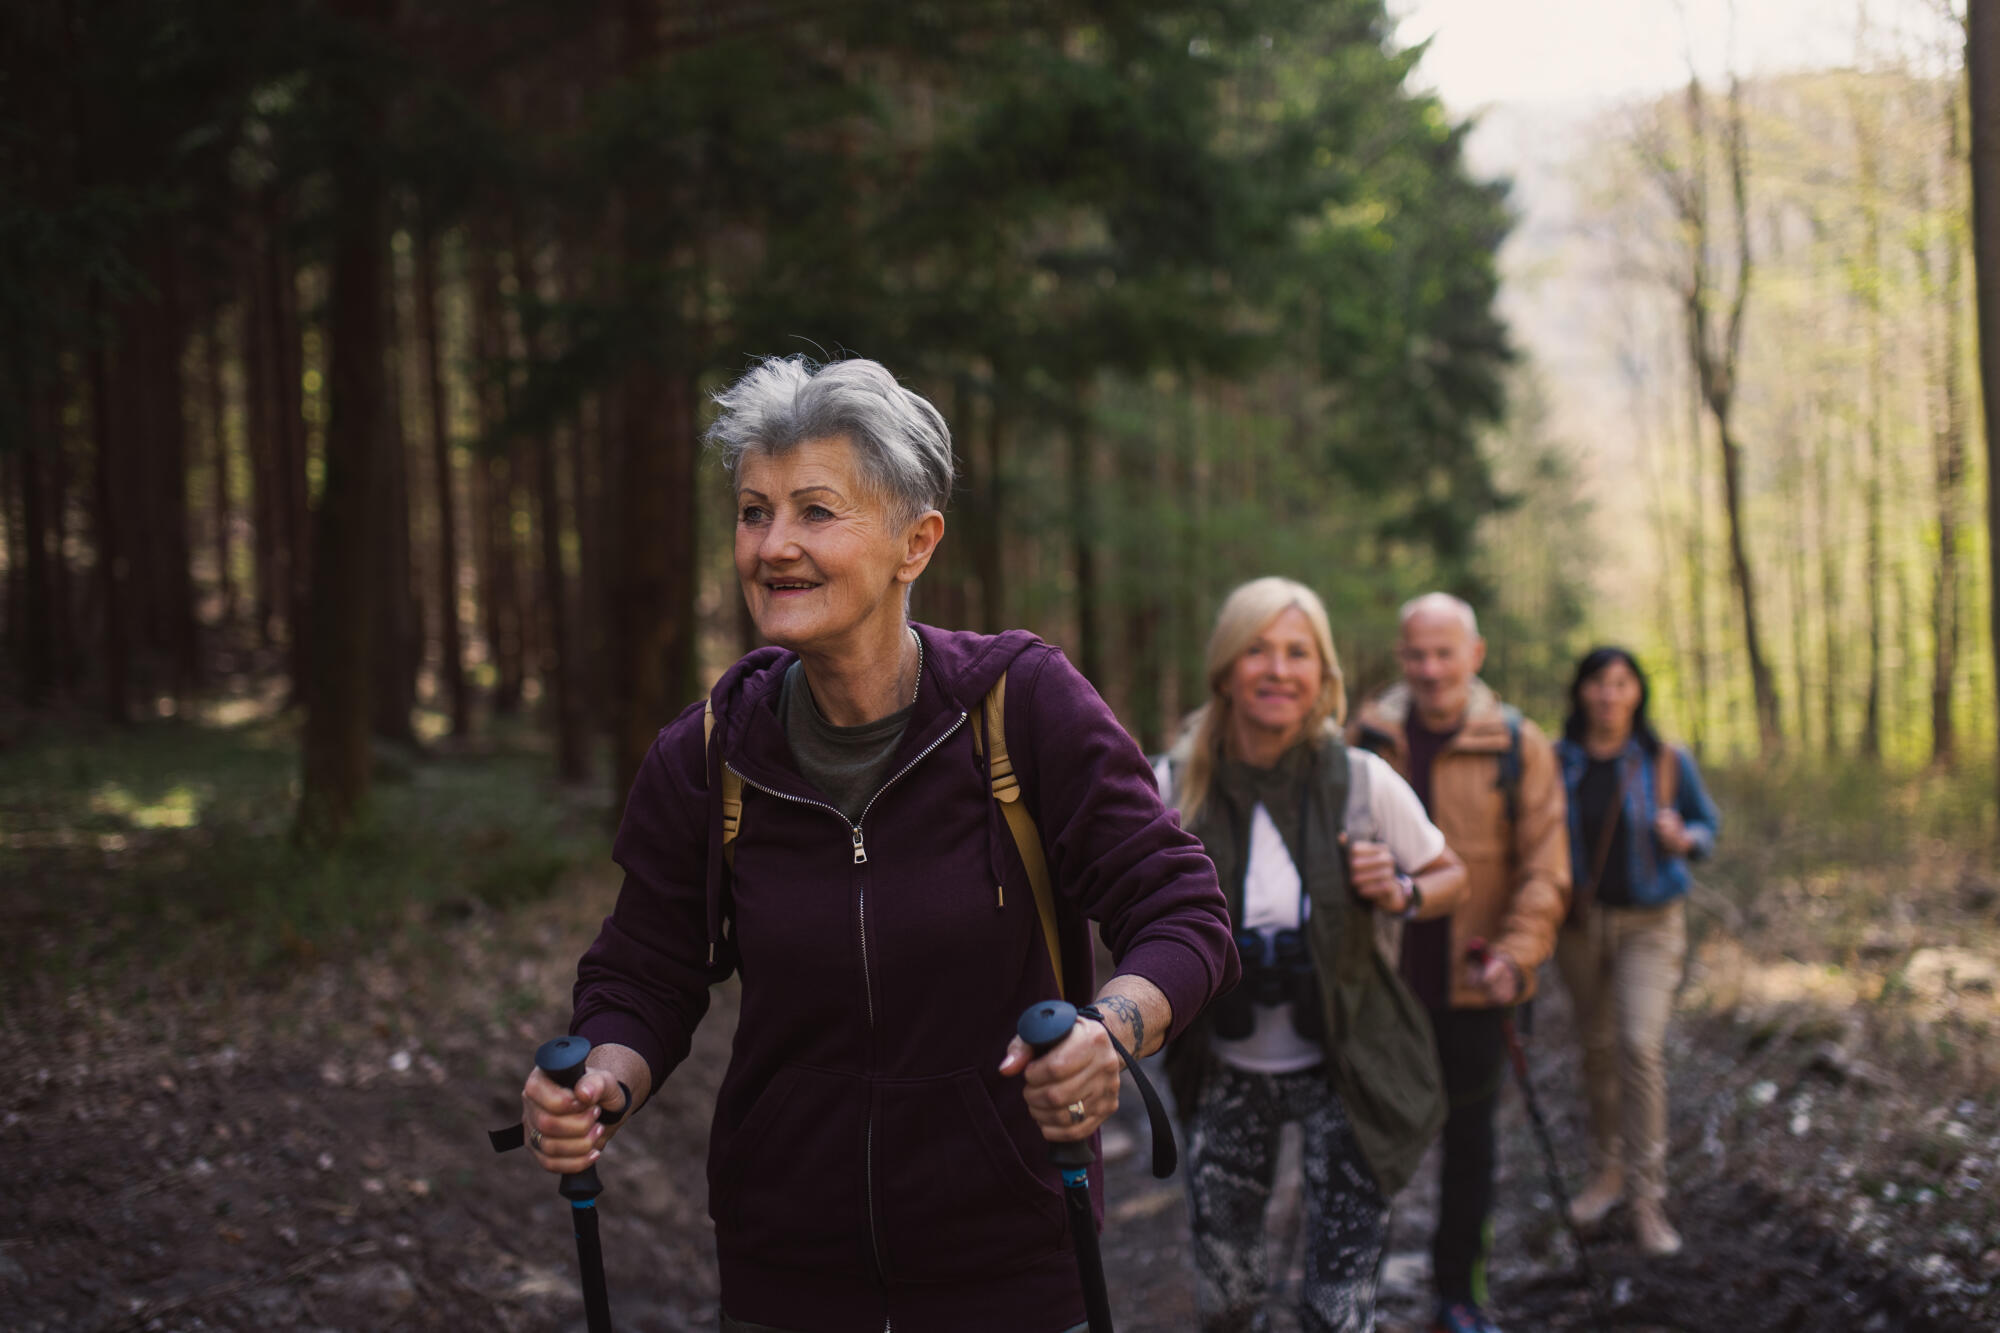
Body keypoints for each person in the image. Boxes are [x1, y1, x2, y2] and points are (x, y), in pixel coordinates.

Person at [517, 355, 1239, 1333]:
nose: (774, 545)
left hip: (1011, 1266)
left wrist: (1106, 1030)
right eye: (753, 512)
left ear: (916, 543)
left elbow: (1182, 912)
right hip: (785, 1273)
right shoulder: (711, 750)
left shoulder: (1020, 706)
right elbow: (644, 972)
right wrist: (598, 1082)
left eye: (815, 511)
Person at [1158, 577, 1467, 1333]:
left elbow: (1449, 875)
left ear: (1322, 673)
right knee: (1227, 1298)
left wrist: (1401, 890)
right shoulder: (1172, 784)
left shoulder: (1361, 781)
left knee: (1340, 1304)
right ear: (1226, 667)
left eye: (1298, 652)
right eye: (1257, 649)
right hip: (1223, 1063)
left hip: (1346, 1065)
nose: (1278, 669)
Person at [1349, 594, 1571, 1333]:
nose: (1431, 669)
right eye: (1417, 654)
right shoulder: (1366, 739)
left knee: (1470, 1149)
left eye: (1445, 653)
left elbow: (1546, 870)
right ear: (1401, 657)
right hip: (1382, 990)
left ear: (1475, 655)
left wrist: (1516, 955)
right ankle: (1351, 1295)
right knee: (1364, 1147)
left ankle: (1458, 1296)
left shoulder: (1517, 744)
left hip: (1477, 987)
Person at [1552, 646, 1719, 1258]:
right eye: (1598, 682)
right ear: (1581, 691)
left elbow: (1707, 826)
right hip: (1578, 926)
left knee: (1639, 1046)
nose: (1609, 694)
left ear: (1638, 692)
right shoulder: (1556, 761)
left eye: (1621, 683)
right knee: (1597, 1050)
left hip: (1651, 924)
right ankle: (1607, 1173)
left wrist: (1685, 837)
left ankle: (1647, 1198)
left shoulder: (1666, 759)